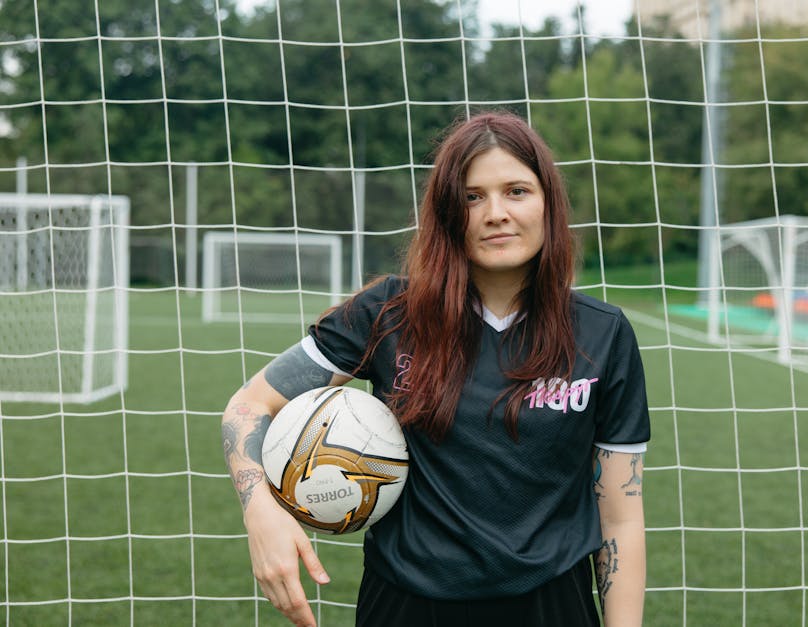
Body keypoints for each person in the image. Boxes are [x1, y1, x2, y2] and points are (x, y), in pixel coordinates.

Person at [221, 110, 650, 627]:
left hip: (552, 605)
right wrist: (260, 510)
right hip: (406, 604)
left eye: (517, 191)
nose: (496, 213)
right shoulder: (388, 313)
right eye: (472, 196)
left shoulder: (602, 333)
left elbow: (620, 517)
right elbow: (249, 404)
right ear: (448, 212)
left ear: (548, 204)